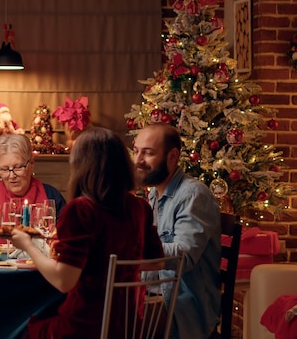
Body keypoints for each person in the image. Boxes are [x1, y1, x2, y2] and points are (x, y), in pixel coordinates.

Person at [11, 127, 164, 338]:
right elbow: (157, 261)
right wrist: (112, 265)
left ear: (81, 166)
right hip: (127, 326)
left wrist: (27, 244)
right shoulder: (140, 208)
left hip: (83, 327)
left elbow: (63, 282)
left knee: (15, 326)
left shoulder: (81, 210)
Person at [132, 123, 221, 339]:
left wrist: (131, 248)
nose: (138, 161)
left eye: (148, 153)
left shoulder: (193, 195)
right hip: (156, 296)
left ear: (173, 156)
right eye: (136, 151)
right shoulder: (154, 194)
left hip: (183, 309)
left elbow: (184, 255)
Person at [0, 134, 65, 243]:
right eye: (4, 169)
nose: (12, 176)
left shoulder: (52, 197)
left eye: (18, 167)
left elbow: (66, 239)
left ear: (31, 163)